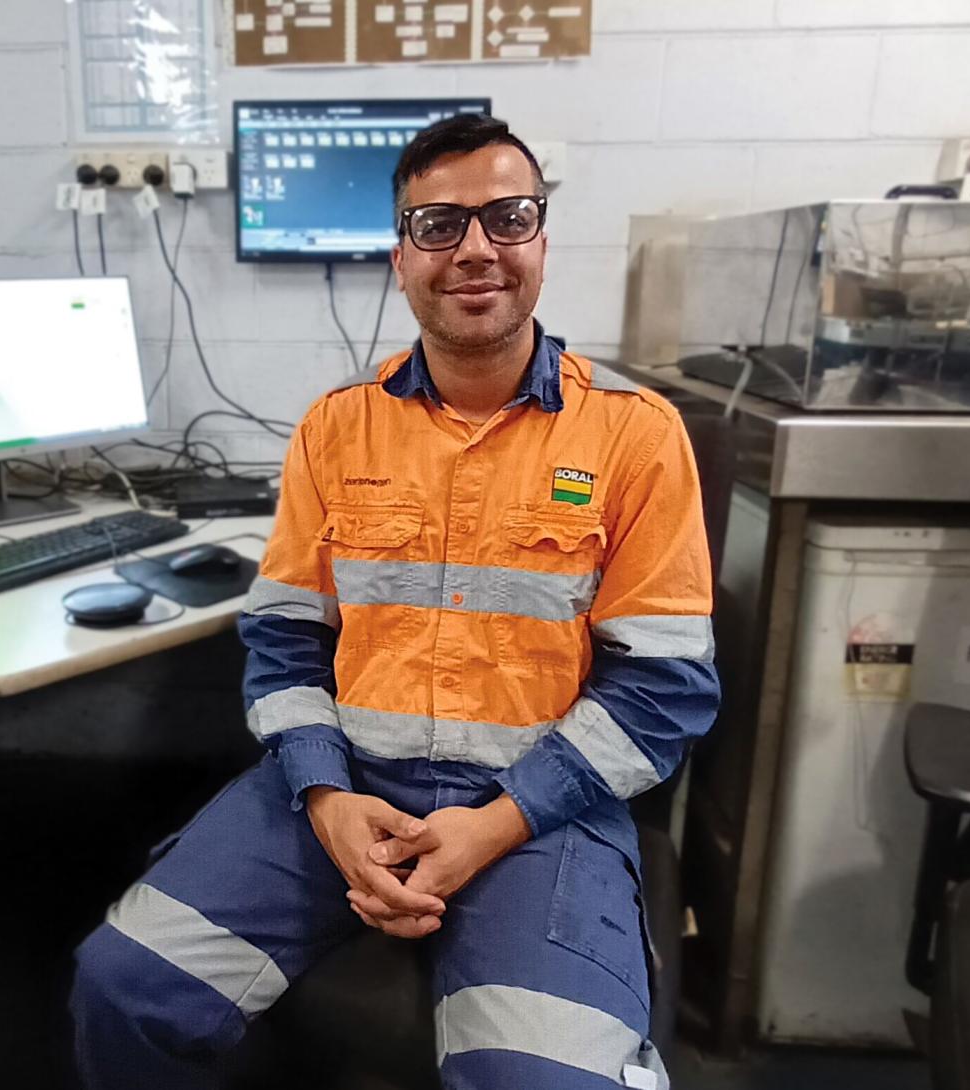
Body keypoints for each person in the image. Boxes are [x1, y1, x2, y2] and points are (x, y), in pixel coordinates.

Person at [70, 113, 720, 1090]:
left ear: (541, 242)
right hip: (342, 785)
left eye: (507, 218)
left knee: (540, 1082)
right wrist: (327, 798)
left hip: (539, 808)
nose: (475, 249)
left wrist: (497, 821)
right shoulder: (335, 429)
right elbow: (285, 641)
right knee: (120, 989)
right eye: (438, 225)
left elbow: (663, 686)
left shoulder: (636, 436)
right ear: (401, 257)